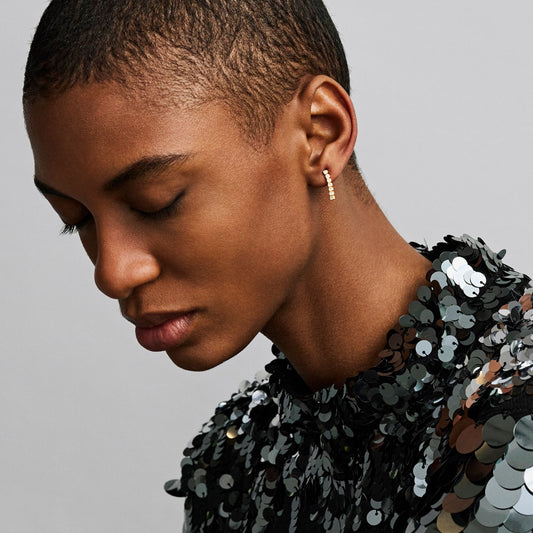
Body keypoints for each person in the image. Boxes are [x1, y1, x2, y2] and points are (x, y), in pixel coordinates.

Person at [23, 0, 533, 531]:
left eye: (157, 201)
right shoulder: (233, 468)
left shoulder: (517, 433)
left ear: (320, 134)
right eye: (76, 219)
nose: (112, 273)